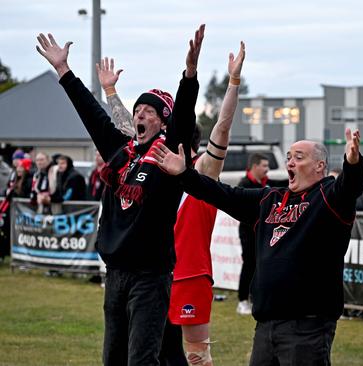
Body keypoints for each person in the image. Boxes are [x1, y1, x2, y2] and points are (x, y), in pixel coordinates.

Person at [36, 24, 204, 365]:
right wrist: (63, 70)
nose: (140, 114)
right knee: (112, 358)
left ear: (163, 123)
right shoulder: (121, 151)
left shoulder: (167, 157)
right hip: (116, 273)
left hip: (150, 277)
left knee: (141, 359)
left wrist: (189, 74)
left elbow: (184, 117)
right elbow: (91, 114)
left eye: (150, 112)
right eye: (138, 109)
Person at [152, 127, 363, 365]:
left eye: (299, 157)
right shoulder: (270, 199)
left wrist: (353, 162)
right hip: (265, 326)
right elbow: (223, 194)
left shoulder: (329, 197)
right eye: (288, 157)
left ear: (320, 166)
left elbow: (351, 186)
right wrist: (184, 174)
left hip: (307, 327)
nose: (290, 163)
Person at [98, 41, 245, 366]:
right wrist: (110, 92)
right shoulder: (148, 168)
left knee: (195, 357)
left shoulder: (201, 171)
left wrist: (233, 83)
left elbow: (222, 127)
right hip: (151, 274)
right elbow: (126, 129)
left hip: (188, 275)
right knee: (159, 354)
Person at [236, 152, 269, 315]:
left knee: (259, 265)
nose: (267, 169)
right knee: (249, 264)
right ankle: (242, 300)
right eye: (264, 166)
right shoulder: (245, 183)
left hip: (261, 232)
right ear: (255, 166)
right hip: (248, 232)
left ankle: (255, 298)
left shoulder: (263, 184)